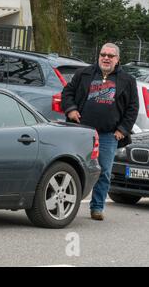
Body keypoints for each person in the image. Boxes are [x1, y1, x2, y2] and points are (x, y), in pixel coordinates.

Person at [61, 42, 139, 221]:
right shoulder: (83, 74)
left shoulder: (127, 81)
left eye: (110, 56)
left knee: (103, 171)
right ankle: (66, 203)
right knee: (73, 167)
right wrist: (71, 109)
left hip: (108, 135)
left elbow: (133, 108)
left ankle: (97, 207)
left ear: (117, 60)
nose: (106, 58)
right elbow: (67, 93)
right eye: (103, 54)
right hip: (80, 131)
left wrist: (122, 129)